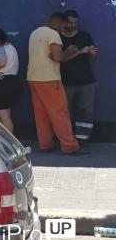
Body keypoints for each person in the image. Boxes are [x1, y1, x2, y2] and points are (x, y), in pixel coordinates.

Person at [27, 13, 87, 155]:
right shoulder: (53, 34)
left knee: (41, 114)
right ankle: (70, 146)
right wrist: (70, 51)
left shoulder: (35, 33)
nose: (63, 30)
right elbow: (58, 57)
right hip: (49, 79)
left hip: (33, 78)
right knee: (60, 112)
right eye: (62, 26)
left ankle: (45, 144)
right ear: (56, 24)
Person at [60, 10, 99, 142]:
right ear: (64, 22)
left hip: (86, 81)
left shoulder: (84, 36)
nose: (72, 25)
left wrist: (92, 52)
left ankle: (82, 141)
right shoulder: (58, 37)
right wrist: (78, 51)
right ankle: (68, 140)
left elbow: (94, 57)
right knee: (65, 112)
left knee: (86, 112)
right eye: (70, 22)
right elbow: (58, 58)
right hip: (65, 81)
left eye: (75, 23)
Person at [0, 28, 24, 132]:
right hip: (13, 82)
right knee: (2, 115)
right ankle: (3, 140)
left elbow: (2, 62)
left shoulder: (0, 49)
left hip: (2, 84)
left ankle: (10, 144)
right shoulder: (10, 47)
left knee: (4, 117)